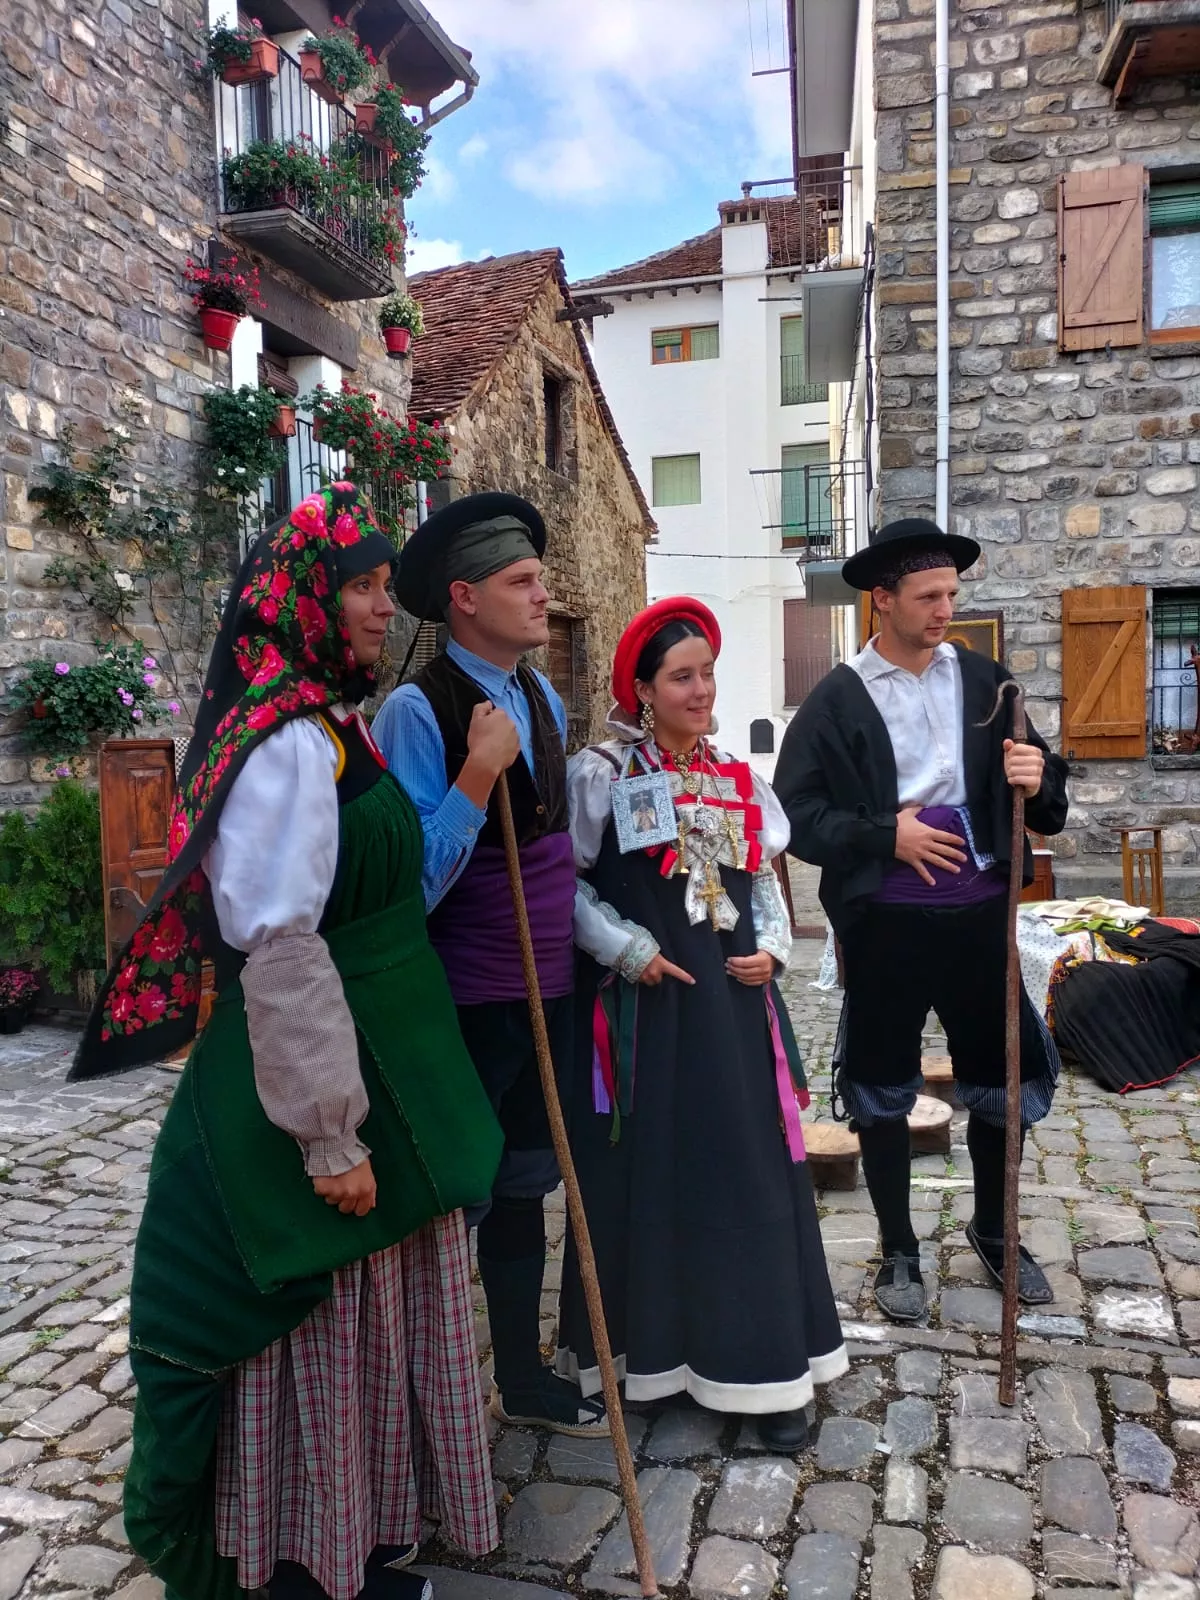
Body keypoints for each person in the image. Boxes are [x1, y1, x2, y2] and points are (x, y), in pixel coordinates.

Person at [71, 485, 504, 1600]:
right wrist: (329, 1133)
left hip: (392, 1064)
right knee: (316, 1322)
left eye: (375, 585)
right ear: (302, 603)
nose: (375, 605)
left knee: (376, 1320)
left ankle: (367, 1533)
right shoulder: (282, 744)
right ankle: (308, 1555)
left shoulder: (333, 720)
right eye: (355, 586)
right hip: (323, 1087)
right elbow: (280, 943)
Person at [555, 597, 848, 1453]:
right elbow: (562, 887)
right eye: (681, 677)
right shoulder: (603, 775)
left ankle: (761, 1374)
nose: (700, 689)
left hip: (731, 1017)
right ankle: (651, 1364)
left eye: (707, 673)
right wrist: (625, 947)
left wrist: (776, 956)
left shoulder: (736, 776)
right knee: (651, 1178)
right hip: (646, 1016)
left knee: (747, 1174)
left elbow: (762, 883)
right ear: (643, 689)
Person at [774, 517, 1069, 1324]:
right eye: (929, 596)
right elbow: (793, 815)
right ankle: (899, 1244)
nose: (945, 610)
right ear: (882, 599)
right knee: (880, 1087)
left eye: (951, 594)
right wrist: (885, 835)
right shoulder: (838, 698)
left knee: (999, 1080)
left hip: (980, 916)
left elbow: (1049, 802)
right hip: (887, 927)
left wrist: (1034, 773)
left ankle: (996, 1231)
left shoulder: (985, 683)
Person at [372, 492, 605, 1438]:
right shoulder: (415, 712)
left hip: (541, 989)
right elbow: (407, 885)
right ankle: (419, 1405)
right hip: (461, 1003)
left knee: (521, 1188)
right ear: (464, 597)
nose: (542, 595)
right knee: (447, 1202)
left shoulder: (540, 695)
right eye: (522, 582)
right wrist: (475, 777)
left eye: (540, 579)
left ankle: (519, 1377)